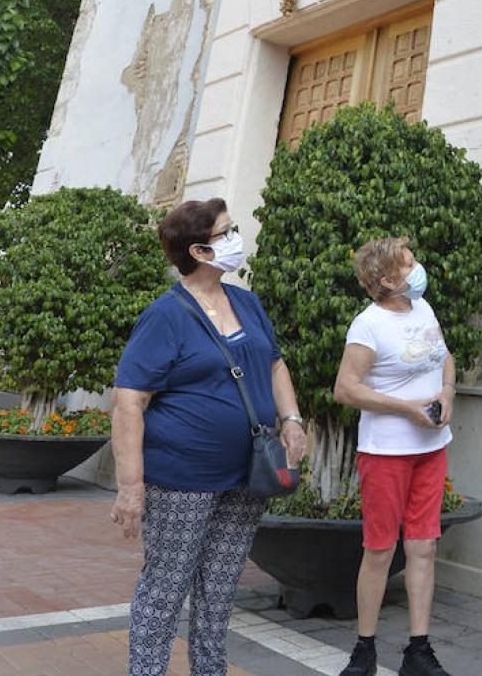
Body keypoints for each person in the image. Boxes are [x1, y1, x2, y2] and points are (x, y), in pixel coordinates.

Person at [109, 198, 308, 676]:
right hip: (181, 479)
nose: (237, 238)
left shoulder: (246, 301)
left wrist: (292, 419)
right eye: (227, 232)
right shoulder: (166, 315)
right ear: (198, 250)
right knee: (165, 588)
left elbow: (275, 363)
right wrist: (131, 486)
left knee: (219, 590)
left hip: (247, 474)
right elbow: (129, 401)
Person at [333, 237, 456, 676]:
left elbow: (445, 358)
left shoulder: (422, 309)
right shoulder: (368, 325)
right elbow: (345, 388)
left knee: (423, 546)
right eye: (409, 263)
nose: (418, 267)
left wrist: (447, 394)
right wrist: (406, 408)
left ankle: (418, 651)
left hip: (431, 449)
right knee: (381, 549)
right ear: (387, 280)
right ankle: (364, 651)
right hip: (386, 452)